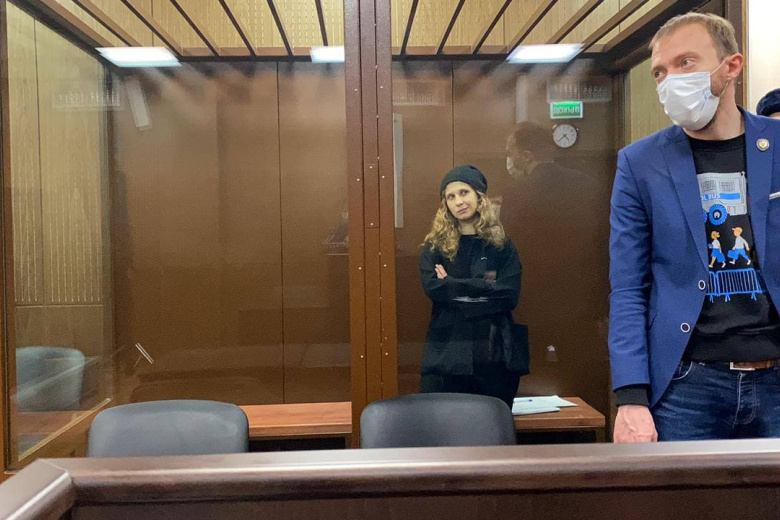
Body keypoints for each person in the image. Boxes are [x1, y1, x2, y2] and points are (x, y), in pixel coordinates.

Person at [610, 12, 780, 443]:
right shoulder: (640, 163)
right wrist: (630, 396)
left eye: (685, 62)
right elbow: (628, 286)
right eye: (660, 72)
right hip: (688, 385)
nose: (670, 80)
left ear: (731, 66)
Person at [419, 165, 528, 408]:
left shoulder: (501, 246)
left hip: (494, 356)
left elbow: (509, 296)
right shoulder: (434, 247)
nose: (458, 201)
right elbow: (434, 289)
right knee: (441, 426)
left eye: (464, 192)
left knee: (492, 426)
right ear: (445, 205)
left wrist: (452, 285)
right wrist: (485, 287)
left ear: (479, 197)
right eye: (451, 196)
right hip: (447, 355)